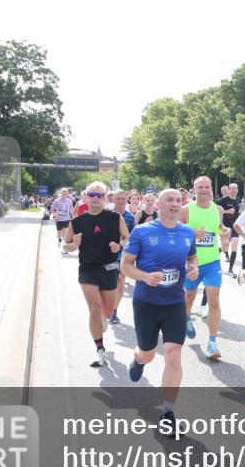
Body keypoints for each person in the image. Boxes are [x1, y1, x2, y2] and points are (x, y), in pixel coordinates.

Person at [122, 188, 199, 434]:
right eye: (170, 200)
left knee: (174, 354)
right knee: (148, 353)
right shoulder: (143, 232)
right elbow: (125, 265)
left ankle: (168, 412)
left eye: (179, 200)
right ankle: (138, 359)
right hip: (147, 302)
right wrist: (144, 276)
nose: (175, 204)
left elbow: (191, 259)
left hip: (175, 302)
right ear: (158, 204)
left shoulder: (187, 232)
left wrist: (193, 268)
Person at [63, 181, 129, 368]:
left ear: (105, 197)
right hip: (88, 269)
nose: (96, 199)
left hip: (109, 269)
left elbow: (127, 237)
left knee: (106, 312)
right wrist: (73, 245)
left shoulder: (115, 218)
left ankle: (103, 319)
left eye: (100, 195)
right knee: (94, 308)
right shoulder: (77, 222)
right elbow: (65, 245)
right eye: (92, 195)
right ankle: (100, 350)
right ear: (86, 197)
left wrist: (120, 246)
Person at [180, 176, 225, 359]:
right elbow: (174, 232)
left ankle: (212, 343)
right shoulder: (186, 210)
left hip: (213, 262)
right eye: (201, 187)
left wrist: (225, 230)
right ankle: (186, 318)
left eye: (207, 186)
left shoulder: (218, 209)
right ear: (194, 190)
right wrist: (192, 233)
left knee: (214, 300)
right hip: (191, 263)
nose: (205, 190)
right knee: (189, 296)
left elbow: (218, 227)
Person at [108, 190, 137, 325]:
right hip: (105, 256)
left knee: (120, 283)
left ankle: (114, 311)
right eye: (118, 198)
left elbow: (132, 238)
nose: (120, 201)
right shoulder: (106, 215)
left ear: (127, 201)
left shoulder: (130, 218)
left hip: (121, 255)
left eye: (123, 199)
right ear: (113, 199)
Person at [217, 182, 242, 277]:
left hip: (235, 226)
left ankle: (230, 270)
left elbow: (240, 212)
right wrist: (227, 211)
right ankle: (216, 254)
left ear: (237, 190)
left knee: (234, 246)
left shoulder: (239, 200)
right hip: (225, 227)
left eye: (236, 188)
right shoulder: (222, 200)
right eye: (232, 188)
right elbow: (215, 210)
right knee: (225, 246)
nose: (234, 190)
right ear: (229, 190)